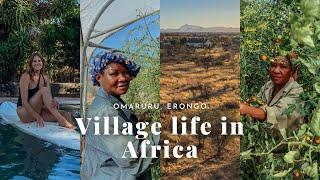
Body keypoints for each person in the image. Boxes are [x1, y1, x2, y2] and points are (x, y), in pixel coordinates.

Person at [81, 51, 159, 180]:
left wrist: (138, 121)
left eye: (126, 72)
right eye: (114, 73)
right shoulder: (105, 112)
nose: (123, 78)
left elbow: (118, 130)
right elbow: (135, 159)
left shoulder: (110, 102)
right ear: (98, 77)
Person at [240, 55, 304, 132]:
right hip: (265, 138)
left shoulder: (297, 91)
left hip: (284, 142)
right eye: (273, 65)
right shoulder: (269, 85)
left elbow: (279, 114)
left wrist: (248, 110)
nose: (276, 71)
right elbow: (256, 103)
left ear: (292, 72)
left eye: (283, 67)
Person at [16, 52, 74, 128]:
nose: (37, 63)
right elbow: (24, 102)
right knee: (44, 90)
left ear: (42, 62)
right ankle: (62, 121)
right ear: (31, 64)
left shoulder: (45, 78)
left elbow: (48, 98)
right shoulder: (26, 76)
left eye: (39, 61)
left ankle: (77, 135)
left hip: (39, 110)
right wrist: (38, 117)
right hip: (24, 113)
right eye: (34, 61)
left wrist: (53, 101)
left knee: (66, 114)